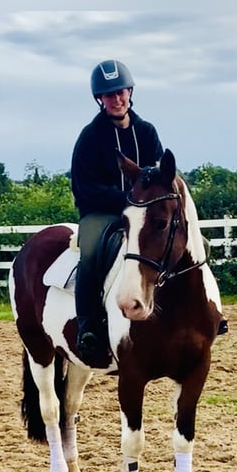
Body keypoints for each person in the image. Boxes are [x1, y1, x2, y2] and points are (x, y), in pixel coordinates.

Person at [70, 59, 164, 362]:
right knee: (91, 252)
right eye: (109, 95)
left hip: (142, 212)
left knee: (187, 245)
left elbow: (159, 174)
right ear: (100, 99)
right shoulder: (90, 137)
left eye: (120, 92)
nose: (116, 99)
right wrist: (124, 199)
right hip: (102, 212)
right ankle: (88, 326)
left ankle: (202, 313)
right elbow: (86, 187)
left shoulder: (147, 132)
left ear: (130, 92)